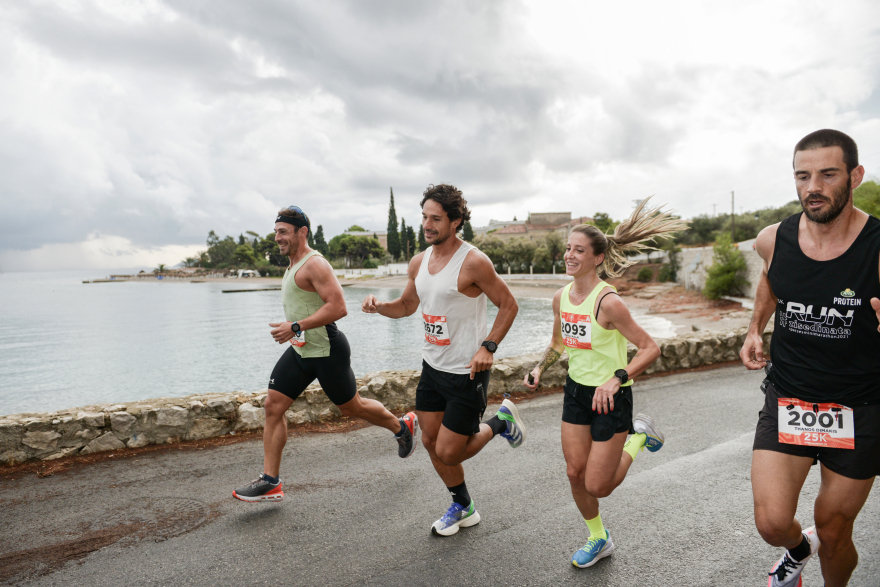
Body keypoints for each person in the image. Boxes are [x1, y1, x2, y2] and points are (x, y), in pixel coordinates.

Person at [740, 129, 880, 587]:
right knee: (771, 523)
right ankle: (797, 552)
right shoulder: (772, 239)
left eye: (827, 174)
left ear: (855, 176)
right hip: (791, 398)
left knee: (834, 531)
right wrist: (754, 330)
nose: (812, 187)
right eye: (803, 176)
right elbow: (770, 279)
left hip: (858, 406)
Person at [523, 198, 686, 568]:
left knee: (600, 485)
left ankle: (640, 436)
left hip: (612, 397)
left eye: (579, 250)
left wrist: (617, 379)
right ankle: (598, 537)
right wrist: (538, 368)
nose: (569, 255)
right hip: (576, 393)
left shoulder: (609, 302)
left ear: (597, 258)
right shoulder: (560, 298)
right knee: (573, 473)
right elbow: (557, 343)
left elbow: (649, 348)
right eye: (567, 248)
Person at [362, 184, 524, 536]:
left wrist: (489, 346)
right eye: (424, 217)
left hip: (467, 372)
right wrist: (379, 308)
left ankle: (501, 422)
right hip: (432, 369)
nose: (427, 224)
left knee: (450, 452)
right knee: (431, 442)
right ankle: (463, 506)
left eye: (436, 218)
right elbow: (406, 306)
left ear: (456, 221)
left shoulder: (474, 262)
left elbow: (509, 305)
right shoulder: (419, 262)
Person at [233, 205, 420, 503]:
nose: (278, 237)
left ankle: (402, 425)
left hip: (327, 351)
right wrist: (295, 330)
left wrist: (294, 326)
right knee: (273, 405)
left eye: (283, 232)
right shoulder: (293, 263)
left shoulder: (315, 264)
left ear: (302, 232)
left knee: (352, 407)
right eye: (276, 232)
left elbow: (338, 307)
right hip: (301, 351)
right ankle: (271, 481)